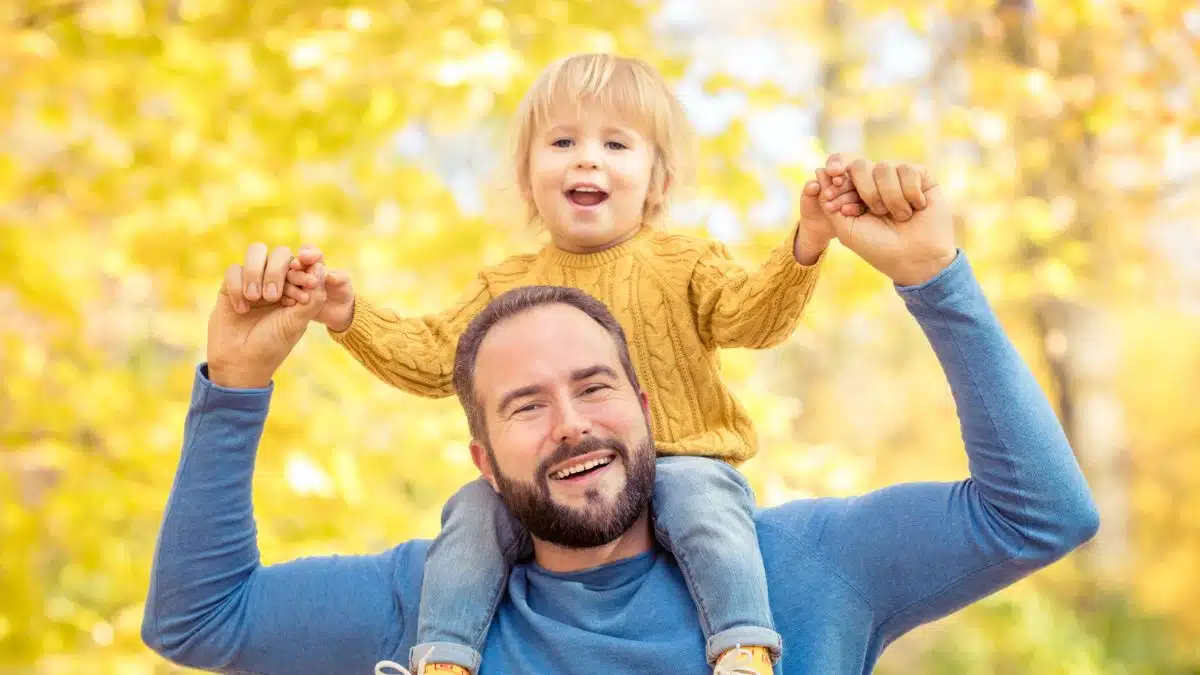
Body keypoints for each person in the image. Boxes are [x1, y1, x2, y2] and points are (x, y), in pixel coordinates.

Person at [141, 154, 1099, 674]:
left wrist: (938, 281)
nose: (571, 423)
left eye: (595, 387)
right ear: (481, 456)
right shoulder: (431, 604)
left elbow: (1039, 514)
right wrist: (233, 385)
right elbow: (198, 620)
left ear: (643, 406)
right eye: (525, 405)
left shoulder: (805, 570)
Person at [252, 52, 904, 675]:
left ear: (658, 181)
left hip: (679, 457)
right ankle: (445, 652)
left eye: (616, 145)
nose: (587, 158)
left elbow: (753, 318)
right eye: (562, 143)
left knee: (704, 502)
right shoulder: (506, 285)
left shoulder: (684, 263)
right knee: (472, 512)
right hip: (554, 478)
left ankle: (743, 646)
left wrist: (807, 243)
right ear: (528, 178)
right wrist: (346, 314)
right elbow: (430, 358)